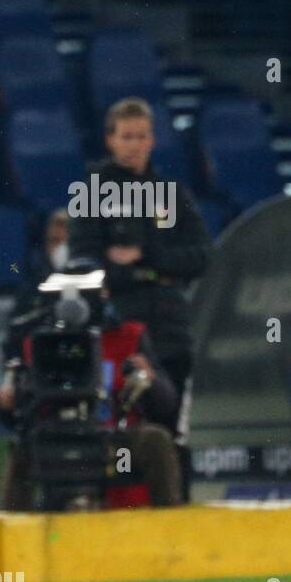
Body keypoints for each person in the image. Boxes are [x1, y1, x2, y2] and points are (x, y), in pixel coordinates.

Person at [69, 98, 211, 497]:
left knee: (173, 427)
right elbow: (84, 260)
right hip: (120, 329)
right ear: (110, 140)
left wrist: (146, 259)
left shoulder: (171, 192)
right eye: (126, 136)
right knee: (118, 421)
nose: (134, 144)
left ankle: (175, 514)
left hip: (170, 327)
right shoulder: (92, 191)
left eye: (142, 136)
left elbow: (202, 255)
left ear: (152, 141)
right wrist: (149, 271)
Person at [0, 277, 182, 509]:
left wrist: (150, 379)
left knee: (155, 440)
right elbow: (14, 411)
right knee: (21, 451)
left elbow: (165, 403)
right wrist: (6, 402)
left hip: (115, 445)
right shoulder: (36, 343)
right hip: (54, 440)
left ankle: (171, 529)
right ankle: (11, 537)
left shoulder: (129, 338)